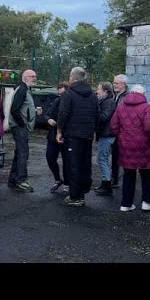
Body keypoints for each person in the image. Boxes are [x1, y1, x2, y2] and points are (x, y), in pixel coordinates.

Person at [56, 67, 99, 207]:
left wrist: (59, 131)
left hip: (73, 134)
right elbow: (96, 114)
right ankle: (83, 191)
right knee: (85, 164)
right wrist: (93, 131)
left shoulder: (68, 94)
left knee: (73, 165)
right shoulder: (92, 95)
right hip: (87, 134)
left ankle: (75, 196)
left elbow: (63, 114)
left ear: (72, 77)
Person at [110, 84, 150, 212]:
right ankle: (147, 202)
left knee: (128, 173)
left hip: (126, 145)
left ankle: (126, 204)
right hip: (144, 145)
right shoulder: (146, 106)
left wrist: (122, 136)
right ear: (143, 94)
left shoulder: (121, 106)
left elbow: (113, 125)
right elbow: (148, 127)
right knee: (146, 173)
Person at [8, 69, 40, 192]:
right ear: (25, 77)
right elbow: (14, 109)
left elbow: (22, 108)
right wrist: (22, 123)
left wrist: (33, 111)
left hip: (19, 126)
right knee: (23, 153)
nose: (34, 78)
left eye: (35, 76)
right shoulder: (22, 89)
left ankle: (13, 179)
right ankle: (21, 180)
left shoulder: (24, 89)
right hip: (19, 126)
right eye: (32, 76)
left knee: (19, 152)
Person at [43, 81, 70, 193]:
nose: (59, 90)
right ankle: (58, 179)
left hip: (66, 136)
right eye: (58, 88)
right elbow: (47, 114)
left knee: (67, 161)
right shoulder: (56, 101)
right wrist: (48, 119)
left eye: (61, 88)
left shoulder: (70, 102)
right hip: (53, 135)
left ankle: (67, 184)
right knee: (50, 158)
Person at [94, 82, 117, 196]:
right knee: (102, 159)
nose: (97, 91)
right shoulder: (106, 101)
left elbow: (104, 117)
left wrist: (96, 107)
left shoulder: (109, 102)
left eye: (98, 89)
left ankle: (107, 184)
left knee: (102, 159)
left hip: (107, 135)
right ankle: (105, 183)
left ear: (105, 91)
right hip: (105, 134)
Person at [111, 74, 129, 188]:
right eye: (114, 83)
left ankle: (128, 178)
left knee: (126, 156)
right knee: (115, 155)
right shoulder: (114, 95)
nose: (114, 85)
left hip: (124, 131)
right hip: (115, 130)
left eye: (116, 83)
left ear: (124, 84)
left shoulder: (128, 96)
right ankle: (114, 178)